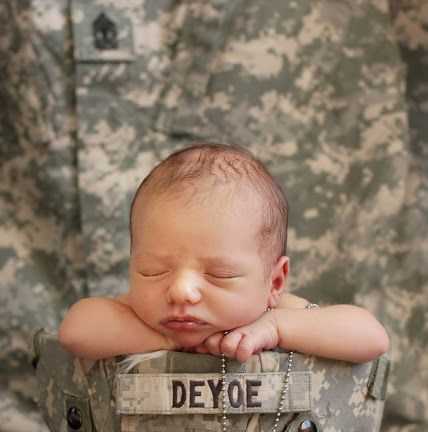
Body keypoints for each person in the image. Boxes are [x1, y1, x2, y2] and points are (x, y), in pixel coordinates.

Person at [57, 143, 390, 364]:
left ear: (274, 281)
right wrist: (170, 341)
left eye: (220, 274)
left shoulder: (279, 311)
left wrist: (276, 328)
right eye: (153, 270)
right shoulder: (137, 314)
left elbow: (372, 338)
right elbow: (75, 330)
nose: (180, 292)